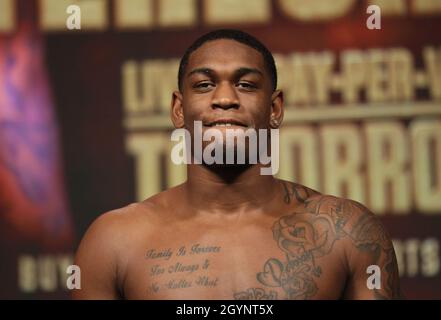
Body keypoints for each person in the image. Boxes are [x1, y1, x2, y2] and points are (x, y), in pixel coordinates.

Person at [72, 29, 401, 300]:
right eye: (204, 84)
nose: (225, 98)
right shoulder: (113, 242)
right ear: (178, 108)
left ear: (275, 108)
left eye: (246, 84)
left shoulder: (347, 233)